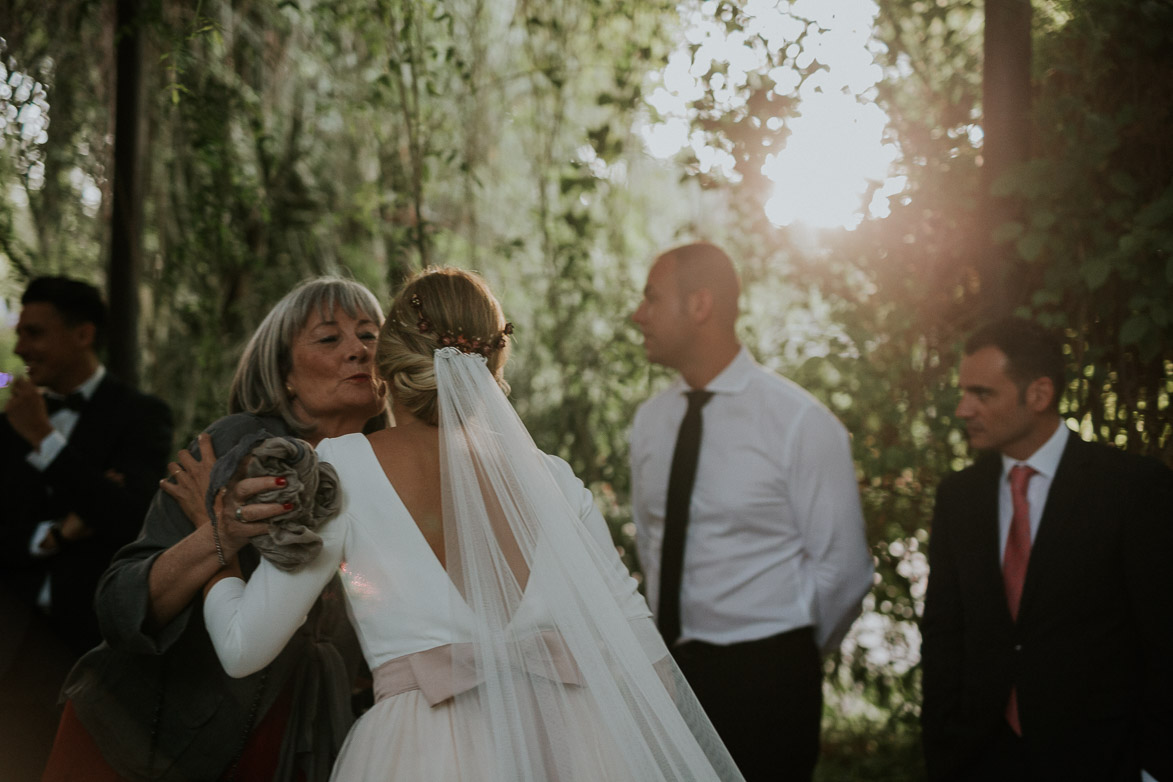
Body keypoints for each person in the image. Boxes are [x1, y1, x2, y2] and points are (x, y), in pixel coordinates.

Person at [199, 267, 745, 781]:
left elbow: (243, 647)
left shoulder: (341, 470)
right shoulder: (553, 479)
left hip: (422, 753)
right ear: (493, 368)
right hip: (575, 744)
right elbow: (650, 665)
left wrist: (214, 546)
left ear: (385, 367)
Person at [40, 276, 389, 782]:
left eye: (370, 335)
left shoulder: (390, 471)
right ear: (285, 374)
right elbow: (117, 605)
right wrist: (217, 533)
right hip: (139, 737)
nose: (358, 350)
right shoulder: (238, 444)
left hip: (290, 743)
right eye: (329, 338)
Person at [629, 242, 874, 781]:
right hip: (670, 677)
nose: (637, 314)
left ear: (700, 306)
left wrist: (788, 655)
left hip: (769, 685)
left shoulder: (800, 424)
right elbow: (652, 542)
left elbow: (845, 570)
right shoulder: (649, 423)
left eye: (651, 298)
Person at [920, 317, 1173, 782]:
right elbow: (944, 632)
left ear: (1038, 395)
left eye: (982, 393)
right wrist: (942, 745)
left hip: (1101, 759)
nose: (963, 409)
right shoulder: (959, 497)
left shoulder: (1130, 489)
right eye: (964, 392)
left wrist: (1155, 766)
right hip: (981, 758)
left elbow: (1164, 639)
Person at [0, 276, 172, 780]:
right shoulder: (4, 425)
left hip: (98, 653)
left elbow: (127, 520)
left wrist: (45, 440)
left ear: (82, 335)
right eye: (20, 333)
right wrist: (53, 535)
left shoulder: (141, 417)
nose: (20, 347)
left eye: (35, 333)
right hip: (10, 654)